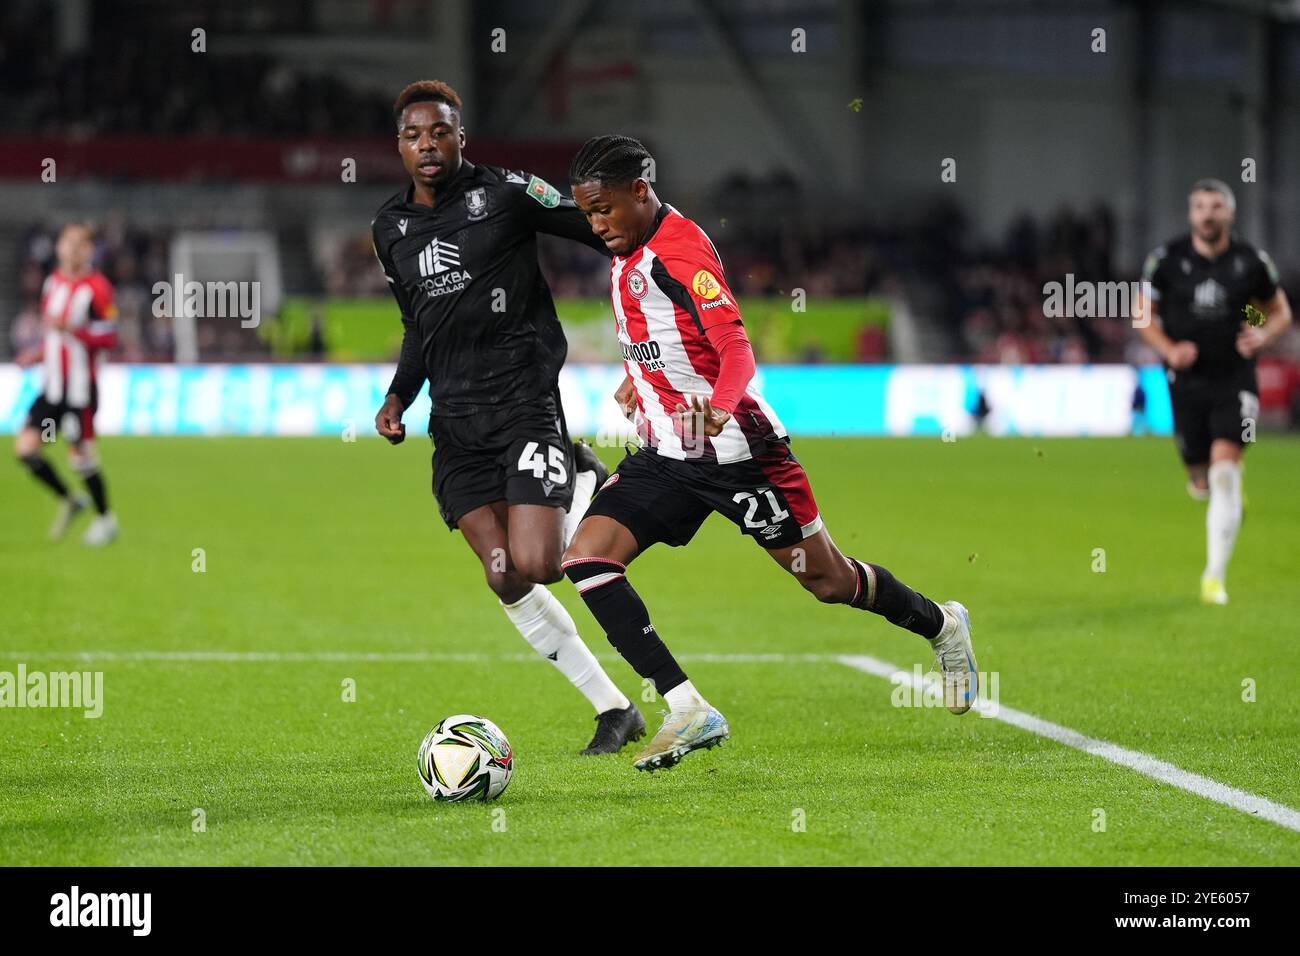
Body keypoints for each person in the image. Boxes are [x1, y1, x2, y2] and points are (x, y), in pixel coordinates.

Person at [560, 135, 978, 772]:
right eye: (586, 213)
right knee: (588, 559)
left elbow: (735, 348)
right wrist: (638, 378)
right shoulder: (630, 244)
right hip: (668, 452)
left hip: (738, 452)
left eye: (604, 210)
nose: (596, 225)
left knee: (828, 581)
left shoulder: (682, 250)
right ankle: (687, 707)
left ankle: (942, 626)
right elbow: (663, 335)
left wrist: (721, 406)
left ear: (641, 192)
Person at [371, 82, 643, 754]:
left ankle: (584, 475)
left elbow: (598, 229)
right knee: (502, 574)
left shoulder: (511, 193)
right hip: (455, 426)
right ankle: (615, 710)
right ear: (399, 146)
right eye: (413, 136)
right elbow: (418, 326)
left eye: (439, 132)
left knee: (540, 563)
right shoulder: (389, 230)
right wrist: (398, 397)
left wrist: (648, 284)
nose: (427, 146)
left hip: (522, 403)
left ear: (461, 136)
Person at [1136, 179, 1292, 604]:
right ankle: (1222, 492)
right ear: (1191, 214)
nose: (1208, 214)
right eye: (1200, 206)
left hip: (1235, 378)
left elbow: (1277, 312)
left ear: (1229, 214)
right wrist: (1170, 349)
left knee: (1225, 474)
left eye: (1216, 206)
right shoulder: (1166, 261)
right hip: (1184, 382)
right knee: (1199, 481)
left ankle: (1213, 578)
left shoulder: (1250, 262)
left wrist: (1262, 336)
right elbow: (1142, 314)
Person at [14, 223, 119, 546]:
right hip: (52, 388)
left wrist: (73, 329)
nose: (72, 249)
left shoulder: (98, 288)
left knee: (81, 458)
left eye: (79, 244)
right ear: (59, 247)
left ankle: (105, 519)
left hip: (79, 391)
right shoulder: (53, 283)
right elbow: (52, 335)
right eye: (66, 242)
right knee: (26, 449)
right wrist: (37, 354)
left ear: (89, 250)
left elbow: (109, 336)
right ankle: (70, 500)